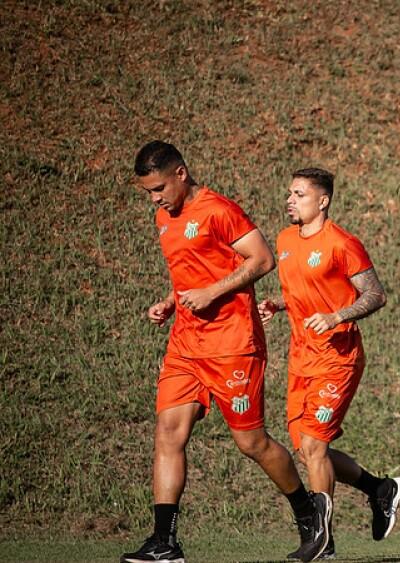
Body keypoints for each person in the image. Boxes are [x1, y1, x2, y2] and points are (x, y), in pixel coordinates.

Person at [123, 142, 330, 563]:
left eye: (159, 188)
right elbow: (188, 270)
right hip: (185, 344)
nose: (155, 198)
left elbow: (262, 259)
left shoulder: (219, 210)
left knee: (251, 442)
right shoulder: (164, 217)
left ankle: (309, 515)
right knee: (168, 432)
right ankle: (165, 543)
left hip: (232, 343)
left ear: (181, 173)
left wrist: (213, 291)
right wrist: (170, 300)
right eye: (148, 192)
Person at [257, 168, 400, 560]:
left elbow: (375, 295)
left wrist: (338, 317)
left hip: (338, 358)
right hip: (301, 358)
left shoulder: (342, 243)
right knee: (307, 453)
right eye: (290, 193)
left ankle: (321, 538)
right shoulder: (286, 239)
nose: (290, 200)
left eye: (300, 194)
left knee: (313, 445)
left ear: (322, 201)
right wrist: (279, 304)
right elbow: (309, 292)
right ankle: (380, 489)